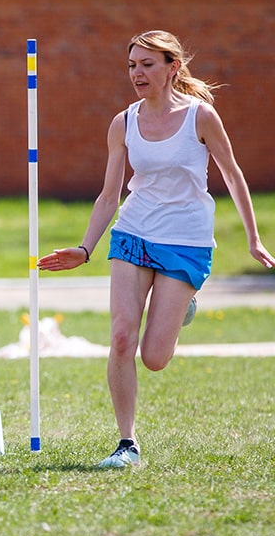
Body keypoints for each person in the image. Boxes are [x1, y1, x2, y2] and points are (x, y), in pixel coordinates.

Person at [37, 29, 275, 469]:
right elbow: (110, 195)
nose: (137, 73)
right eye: (132, 65)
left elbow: (234, 175)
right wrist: (85, 248)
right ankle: (127, 444)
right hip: (134, 232)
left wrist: (254, 238)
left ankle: (183, 304)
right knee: (122, 335)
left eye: (148, 64)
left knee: (155, 358)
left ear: (173, 68)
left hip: (186, 240)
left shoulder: (201, 117)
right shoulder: (123, 122)